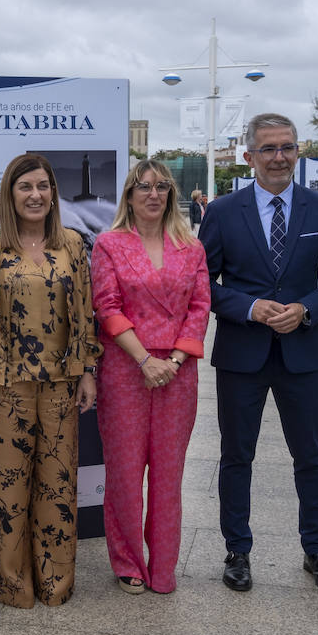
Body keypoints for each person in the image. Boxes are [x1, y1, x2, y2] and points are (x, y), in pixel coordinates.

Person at [197, 113, 318, 596]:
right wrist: (248, 307)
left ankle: (317, 551)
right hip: (241, 355)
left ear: (297, 151)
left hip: (302, 354)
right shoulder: (223, 212)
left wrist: (306, 309)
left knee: (310, 456)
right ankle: (237, 551)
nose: (279, 157)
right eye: (268, 149)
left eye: (286, 147)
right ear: (249, 156)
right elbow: (202, 285)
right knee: (235, 456)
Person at [0, 154, 101, 608]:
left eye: (43, 186)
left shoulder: (74, 246)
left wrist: (88, 371)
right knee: (8, 490)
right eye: (25, 187)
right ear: (10, 194)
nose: (35, 195)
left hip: (61, 387)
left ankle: (56, 584)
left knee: (57, 487)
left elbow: (86, 313)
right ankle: (12, 585)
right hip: (5, 389)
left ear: (53, 193)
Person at [92, 160, 209, 594]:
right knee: (124, 472)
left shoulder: (190, 246)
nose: (153, 194)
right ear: (129, 194)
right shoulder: (109, 244)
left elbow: (200, 306)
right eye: (144, 186)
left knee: (167, 474)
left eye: (161, 186)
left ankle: (162, 566)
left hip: (178, 374)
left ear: (172, 194)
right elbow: (107, 307)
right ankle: (126, 561)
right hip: (127, 370)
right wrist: (145, 360)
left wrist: (174, 361)